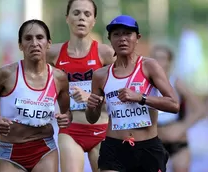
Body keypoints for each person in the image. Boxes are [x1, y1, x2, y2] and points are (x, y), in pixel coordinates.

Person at [0, 19, 71, 172]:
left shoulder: (59, 78)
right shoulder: (6, 74)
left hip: (44, 149)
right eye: (28, 38)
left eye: (39, 37)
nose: (34, 43)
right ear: (20, 45)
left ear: (48, 43)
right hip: (10, 152)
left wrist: (66, 118)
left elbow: (67, 114)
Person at [86, 15, 180, 172]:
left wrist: (140, 98)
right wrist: (91, 107)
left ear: (137, 38)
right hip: (114, 148)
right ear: (109, 39)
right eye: (117, 34)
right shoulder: (100, 75)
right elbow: (92, 118)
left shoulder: (149, 66)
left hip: (147, 148)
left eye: (128, 34)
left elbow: (174, 104)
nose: (122, 39)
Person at [46, 0, 115, 172]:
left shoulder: (105, 53)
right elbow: (30, 77)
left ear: (94, 21)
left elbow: (121, 93)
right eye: (76, 13)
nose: (81, 18)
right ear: (67, 18)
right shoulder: (53, 53)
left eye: (87, 14)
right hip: (71, 130)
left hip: (102, 130)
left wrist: (92, 98)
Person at [152, 45, 204, 172]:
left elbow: (200, 110)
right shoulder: (145, 83)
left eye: (162, 58)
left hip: (177, 143)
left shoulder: (176, 82)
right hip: (155, 142)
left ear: (170, 62)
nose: (158, 62)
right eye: (155, 58)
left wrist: (182, 127)